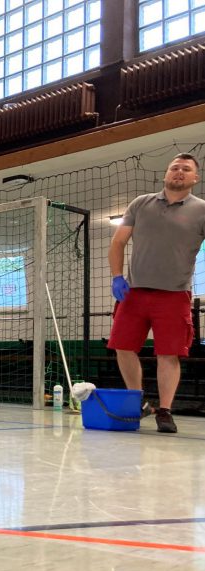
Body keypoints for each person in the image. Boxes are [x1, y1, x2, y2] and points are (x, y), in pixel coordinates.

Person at [108, 153, 205, 433]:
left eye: (186, 169)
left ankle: (165, 410)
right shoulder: (141, 204)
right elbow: (118, 242)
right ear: (166, 173)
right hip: (134, 293)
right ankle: (137, 401)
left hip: (174, 295)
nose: (179, 172)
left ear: (194, 178)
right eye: (175, 167)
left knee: (168, 354)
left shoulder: (201, 210)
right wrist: (116, 277)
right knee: (123, 347)